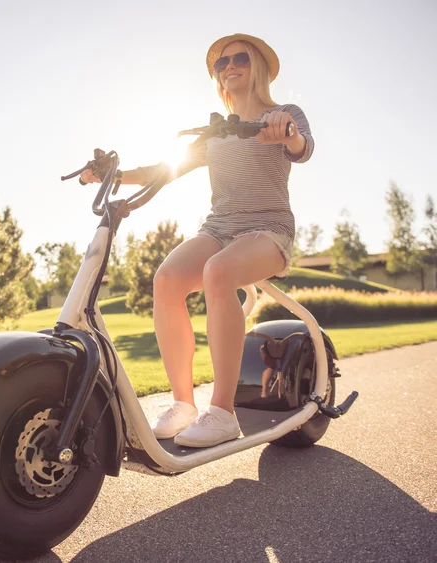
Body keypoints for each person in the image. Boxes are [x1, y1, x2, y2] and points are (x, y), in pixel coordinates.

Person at [80, 33, 314, 448]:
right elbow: (163, 170)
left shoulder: (283, 114)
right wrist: (111, 175)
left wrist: (286, 131)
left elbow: (302, 147)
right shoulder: (216, 133)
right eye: (220, 64)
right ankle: (183, 405)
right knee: (167, 279)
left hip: (268, 230)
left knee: (218, 272)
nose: (229, 67)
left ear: (257, 64)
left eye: (239, 58)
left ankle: (222, 413)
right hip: (219, 228)